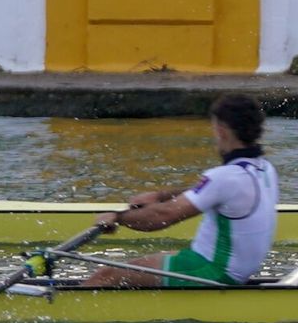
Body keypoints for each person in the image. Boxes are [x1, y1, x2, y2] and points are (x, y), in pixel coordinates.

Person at [81, 94, 278, 287]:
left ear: (222, 130)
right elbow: (211, 192)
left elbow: (161, 217)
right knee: (136, 268)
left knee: (104, 277)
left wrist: (117, 217)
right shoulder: (264, 169)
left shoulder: (225, 177)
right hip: (223, 267)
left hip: (211, 272)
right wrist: (160, 196)